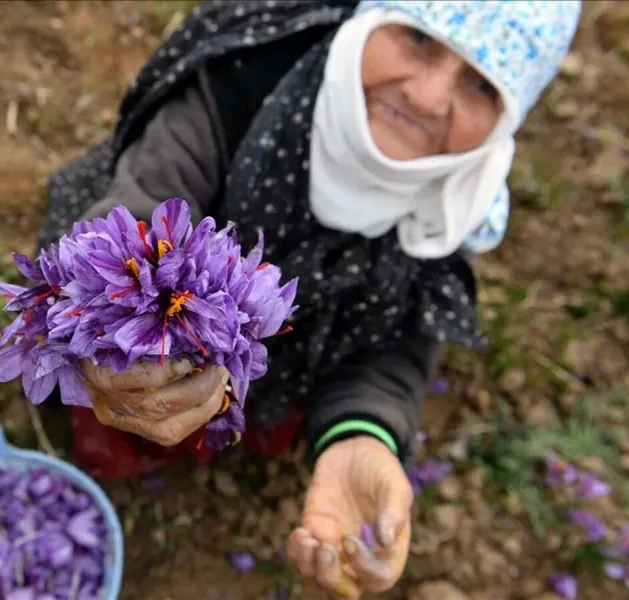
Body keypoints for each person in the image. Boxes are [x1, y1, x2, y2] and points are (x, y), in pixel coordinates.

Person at [36, 1, 581, 598]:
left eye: (481, 83)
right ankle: (130, 427)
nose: (427, 97)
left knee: (265, 406)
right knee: (135, 391)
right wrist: (114, 326)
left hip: (291, 339)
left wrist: (363, 436)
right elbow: (143, 210)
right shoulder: (243, 81)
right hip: (160, 320)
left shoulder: (455, 196)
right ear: (370, 18)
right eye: (419, 41)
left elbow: (394, 345)